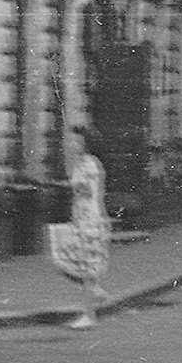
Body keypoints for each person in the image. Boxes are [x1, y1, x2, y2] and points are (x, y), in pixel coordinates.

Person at [49, 126, 110, 328]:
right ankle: (95, 290)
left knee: (82, 265)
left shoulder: (87, 164)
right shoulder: (89, 163)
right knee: (73, 262)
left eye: (75, 141)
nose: (71, 144)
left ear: (85, 144)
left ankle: (89, 315)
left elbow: (87, 191)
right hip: (84, 216)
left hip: (87, 218)